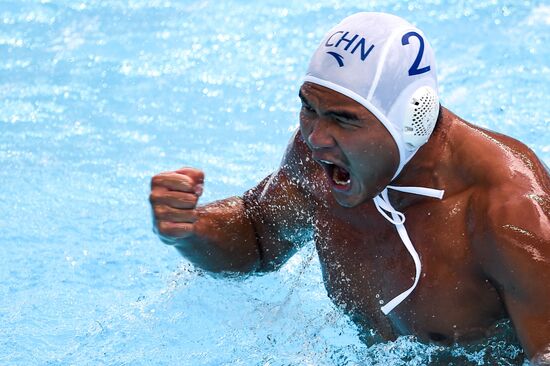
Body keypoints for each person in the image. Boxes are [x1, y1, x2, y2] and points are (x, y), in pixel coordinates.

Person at [149, 12, 550, 364]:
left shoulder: (508, 212)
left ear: (412, 119)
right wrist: (190, 230)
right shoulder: (317, 162)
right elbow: (258, 238)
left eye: (344, 119)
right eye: (309, 108)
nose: (316, 136)